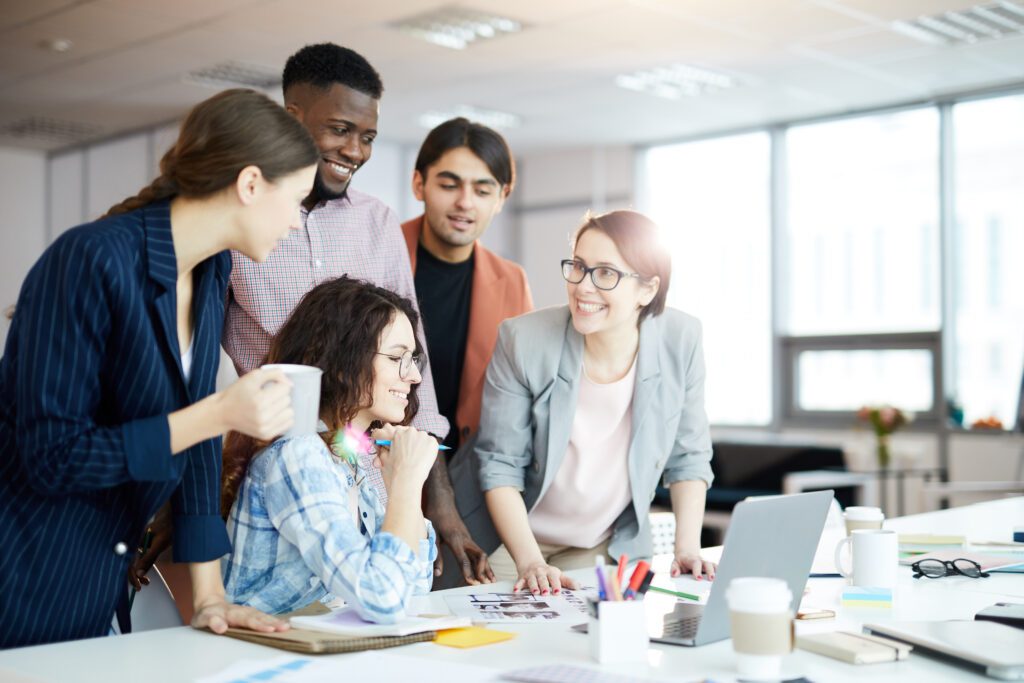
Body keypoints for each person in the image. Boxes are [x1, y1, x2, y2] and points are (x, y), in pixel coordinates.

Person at [0, 88, 319, 647]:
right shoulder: (89, 260)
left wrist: (211, 597)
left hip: (100, 576)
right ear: (249, 184)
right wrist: (217, 413)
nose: (297, 224)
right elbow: (52, 459)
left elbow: (194, 447)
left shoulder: (212, 270)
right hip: (26, 568)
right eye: (296, 200)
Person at [222, 43, 481, 583]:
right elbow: (203, 362)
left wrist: (440, 501)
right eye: (340, 129)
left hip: (365, 466)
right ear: (292, 119)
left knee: (370, 609)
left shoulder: (375, 221)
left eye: (367, 137)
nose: (355, 151)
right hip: (273, 466)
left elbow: (411, 359)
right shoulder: (242, 217)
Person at [450, 210, 717, 595]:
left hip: (596, 542)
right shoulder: (523, 340)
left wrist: (687, 549)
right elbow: (500, 466)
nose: (583, 286)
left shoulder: (682, 339)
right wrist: (531, 562)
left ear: (647, 289)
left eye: (606, 273)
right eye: (578, 266)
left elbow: (689, 457)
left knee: (591, 644)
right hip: (511, 540)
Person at [220, 277, 438, 622]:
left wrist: (400, 484)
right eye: (398, 357)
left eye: (412, 360)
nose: (414, 377)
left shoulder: (345, 458)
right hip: (265, 660)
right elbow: (384, 599)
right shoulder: (299, 456)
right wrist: (408, 486)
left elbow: (413, 585)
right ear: (341, 361)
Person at [401, 118, 533, 587]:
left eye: (482, 189)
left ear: (502, 197)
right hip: (381, 462)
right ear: (419, 184)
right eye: (449, 184)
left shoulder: (511, 280)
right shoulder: (382, 254)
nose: (464, 202)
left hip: (469, 476)